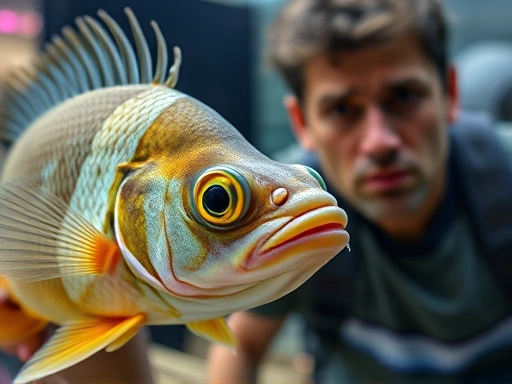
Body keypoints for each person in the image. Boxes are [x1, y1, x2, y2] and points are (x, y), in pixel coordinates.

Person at [206, 0, 512, 383]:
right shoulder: (287, 207)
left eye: (404, 97)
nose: (379, 142)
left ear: (449, 94)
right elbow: (241, 345)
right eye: (341, 110)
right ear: (302, 124)